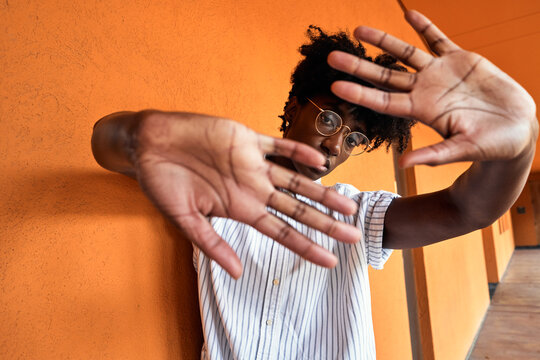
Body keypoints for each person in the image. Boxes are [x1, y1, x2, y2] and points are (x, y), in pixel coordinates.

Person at [91, 10, 537, 360]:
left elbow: (466, 209)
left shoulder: (354, 214)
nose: (336, 145)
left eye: (355, 138)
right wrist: (148, 134)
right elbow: (107, 145)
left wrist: (518, 145)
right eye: (329, 118)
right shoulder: (216, 183)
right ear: (292, 107)